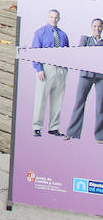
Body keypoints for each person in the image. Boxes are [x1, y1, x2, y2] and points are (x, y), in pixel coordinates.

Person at [63, 18, 103, 143]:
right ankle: (71, 132)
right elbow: (79, 54)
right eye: (95, 26)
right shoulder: (85, 39)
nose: (97, 28)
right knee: (79, 102)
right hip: (85, 75)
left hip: (101, 77)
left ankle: (100, 136)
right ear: (91, 27)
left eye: (100, 26)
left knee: (101, 106)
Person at [31, 9, 70, 137]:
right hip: (46, 68)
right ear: (48, 18)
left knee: (58, 98)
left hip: (60, 69)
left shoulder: (63, 35)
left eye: (56, 17)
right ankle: (37, 127)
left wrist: (65, 69)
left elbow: (67, 52)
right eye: (52, 17)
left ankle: (54, 127)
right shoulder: (40, 33)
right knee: (41, 98)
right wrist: (39, 68)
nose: (54, 20)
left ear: (59, 19)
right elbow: (35, 51)